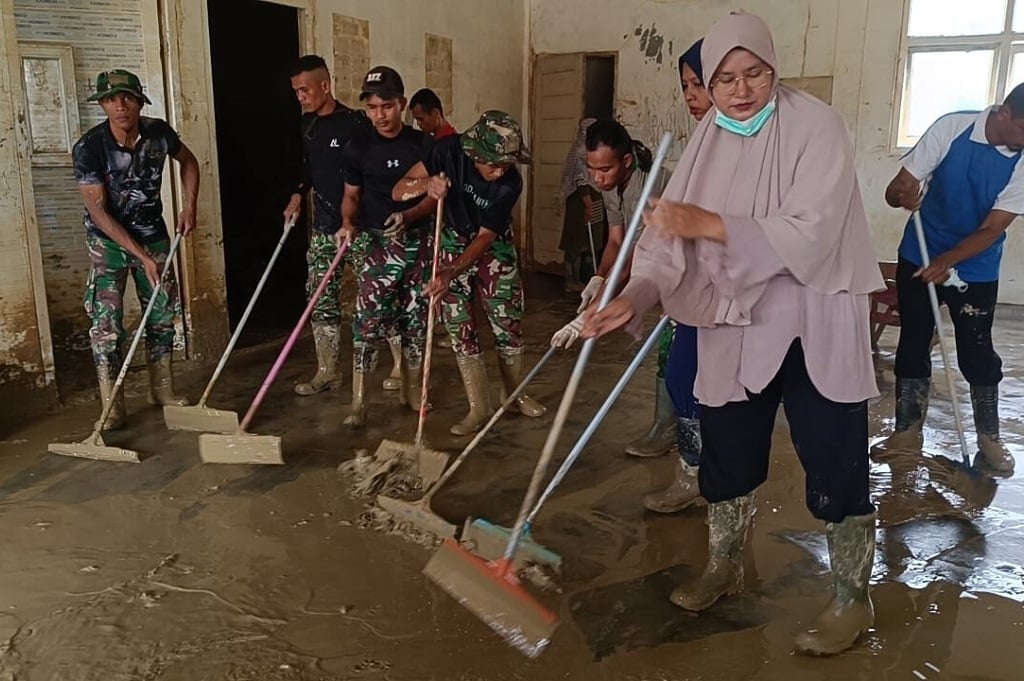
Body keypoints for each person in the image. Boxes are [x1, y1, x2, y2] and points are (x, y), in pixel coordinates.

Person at [583, 12, 884, 656]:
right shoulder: (704, 144)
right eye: (723, 79)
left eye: (754, 73)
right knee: (727, 447)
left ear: (774, 68)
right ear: (706, 85)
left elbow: (814, 228)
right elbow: (665, 242)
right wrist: (633, 295)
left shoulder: (817, 125)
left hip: (812, 317)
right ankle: (724, 563)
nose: (740, 90)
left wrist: (712, 224)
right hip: (734, 321)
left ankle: (849, 596)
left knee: (834, 454)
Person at [872, 85, 1024, 475]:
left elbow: (992, 229)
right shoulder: (952, 128)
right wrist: (901, 194)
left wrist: (949, 261)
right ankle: (906, 433)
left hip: (975, 266)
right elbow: (895, 190)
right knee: (914, 340)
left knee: (977, 349)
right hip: (920, 254)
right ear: (1004, 112)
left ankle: (989, 439)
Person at [394, 111, 546, 434]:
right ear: (475, 153)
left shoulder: (510, 184)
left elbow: (485, 237)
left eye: (507, 163)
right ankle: (479, 406)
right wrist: (427, 185)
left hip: (491, 246)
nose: (500, 169)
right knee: (459, 324)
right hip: (449, 237)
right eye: (494, 163)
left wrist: (451, 271)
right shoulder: (446, 151)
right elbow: (399, 189)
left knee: (507, 321)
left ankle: (514, 394)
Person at [73, 69, 199, 430]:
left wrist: (189, 205)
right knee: (106, 323)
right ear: (102, 105)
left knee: (161, 312)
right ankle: (111, 405)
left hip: (154, 235)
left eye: (127, 97)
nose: (120, 106)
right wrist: (141, 257)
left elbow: (188, 162)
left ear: (139, 101)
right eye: (112, 99)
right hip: (108, 242)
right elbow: (98, 211)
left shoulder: (158, 133)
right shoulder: (89, 148)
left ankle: (161, 389)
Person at [549, 121, 671, 458]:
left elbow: (636, 253)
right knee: (671, 349)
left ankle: (672, 429)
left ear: (627, 161)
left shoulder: (653, 183)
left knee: (674, 346)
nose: (597, 177)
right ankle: (669, 424)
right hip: (650, 264)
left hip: (681, 262)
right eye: (591, 168)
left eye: (605, 168)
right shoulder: (609, 184)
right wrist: (599, 278)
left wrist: (594, 311)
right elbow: (616, 239)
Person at [339, 66, 436, 427]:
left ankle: (413, 394)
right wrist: (348, 224)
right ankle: (359, 403)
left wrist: (410, 216)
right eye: (372, 107)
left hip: (418, 245)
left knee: (416, 321)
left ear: (403, 104)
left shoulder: (422, 144)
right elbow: (351, 196)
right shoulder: (358, 146)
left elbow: (433, 194)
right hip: (376, 247)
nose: (380, 115)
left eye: (387, 106)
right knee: (367, 323)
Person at [644, 38, 716, 514]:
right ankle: (692, 474)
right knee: (680, 376)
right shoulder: (702, 142)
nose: (691, 96)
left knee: (723, 398)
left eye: (699, 84)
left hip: (734, 295)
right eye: (685, 86)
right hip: (695, 291)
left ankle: (718, 485)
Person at [282, 55, 373, 397]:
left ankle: (397, 368)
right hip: (324, 228)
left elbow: (373, 174)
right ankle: (328, 371)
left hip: (362, 229)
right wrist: (296, 195)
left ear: (325, 85)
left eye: (304, 89)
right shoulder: (307, 126)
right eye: (296, 91)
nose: (300, 96)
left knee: (377, 298)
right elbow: (308, 169)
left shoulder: (357, 125)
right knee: (320, 298)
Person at [557, 118, 606, 293]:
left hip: (594, 199)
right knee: (576, 242)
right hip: (581, 202)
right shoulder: (580, 153)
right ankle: (572, 280)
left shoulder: (593, 151)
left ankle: (589, 279)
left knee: (592, 241)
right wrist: (588, 205)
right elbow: (580, 181)